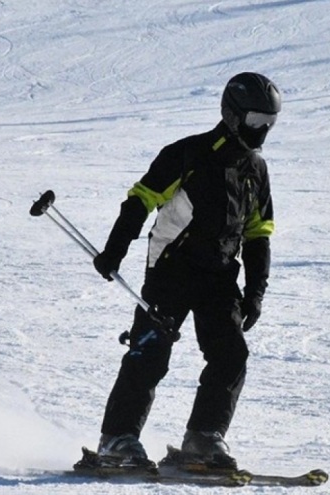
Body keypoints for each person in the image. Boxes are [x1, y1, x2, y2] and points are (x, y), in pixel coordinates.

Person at [90, 72, 281, 470]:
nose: (261, 132)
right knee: (149, 355)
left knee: (231, 355)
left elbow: (258, 233)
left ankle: (202, 439)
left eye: (269, 123)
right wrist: (114, 250)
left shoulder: (256, 171)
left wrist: (255, 291)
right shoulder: (188, 154)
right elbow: (139, 201)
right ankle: (117, 440)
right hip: (170, 271)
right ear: (232, 116)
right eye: (255, 122)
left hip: (219, 276)